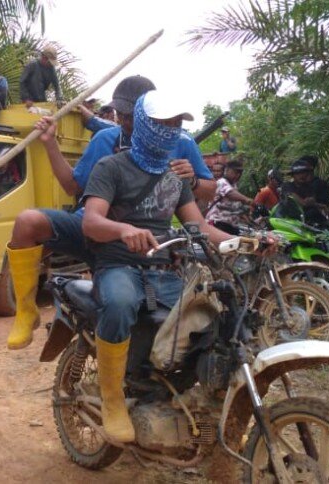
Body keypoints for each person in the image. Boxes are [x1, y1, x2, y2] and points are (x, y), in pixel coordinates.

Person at [80, 90, 267, 443]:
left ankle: (184, 394)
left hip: (163, 270)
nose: (171, 130)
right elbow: (91, 222)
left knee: (214, 315)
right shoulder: (111, 168)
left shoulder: (175, 177)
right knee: (120, 304)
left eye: (177, 124)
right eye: (163, 123)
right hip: (118, 264)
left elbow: (200, 227)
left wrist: (251, 242)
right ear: (144, 124)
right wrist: (124, 230)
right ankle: (112, 399)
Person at [3, 76, 215, 350]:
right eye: (120, 114)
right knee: (29, 222)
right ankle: (25, 311)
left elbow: (207, 194)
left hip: (143, 244)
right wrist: (50, 144)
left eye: (127, 115)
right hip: (93, 228)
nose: (122, 120)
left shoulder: (179, 141)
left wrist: (193, 181)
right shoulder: (106, 140)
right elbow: (72, 187)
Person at [205, 158, 253, 234]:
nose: (237, 175)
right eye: (234, 172)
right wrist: (247, 199)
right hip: (218, 223)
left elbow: (236, 208)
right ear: (226, 171)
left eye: (239, 173)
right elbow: (230, 193)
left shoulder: (234, 186)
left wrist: (250, 221)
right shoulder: (221, 182)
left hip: (231, 226)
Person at [280, 158, 329, 227]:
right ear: (293, 175)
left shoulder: (309, 187)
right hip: (289, 220)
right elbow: (303, 203)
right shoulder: (287, 186)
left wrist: (319, 206)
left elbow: (312, 201)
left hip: (306, 222)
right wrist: (319, 205)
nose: (302, 175)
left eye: (303, 172)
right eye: (298, 173)